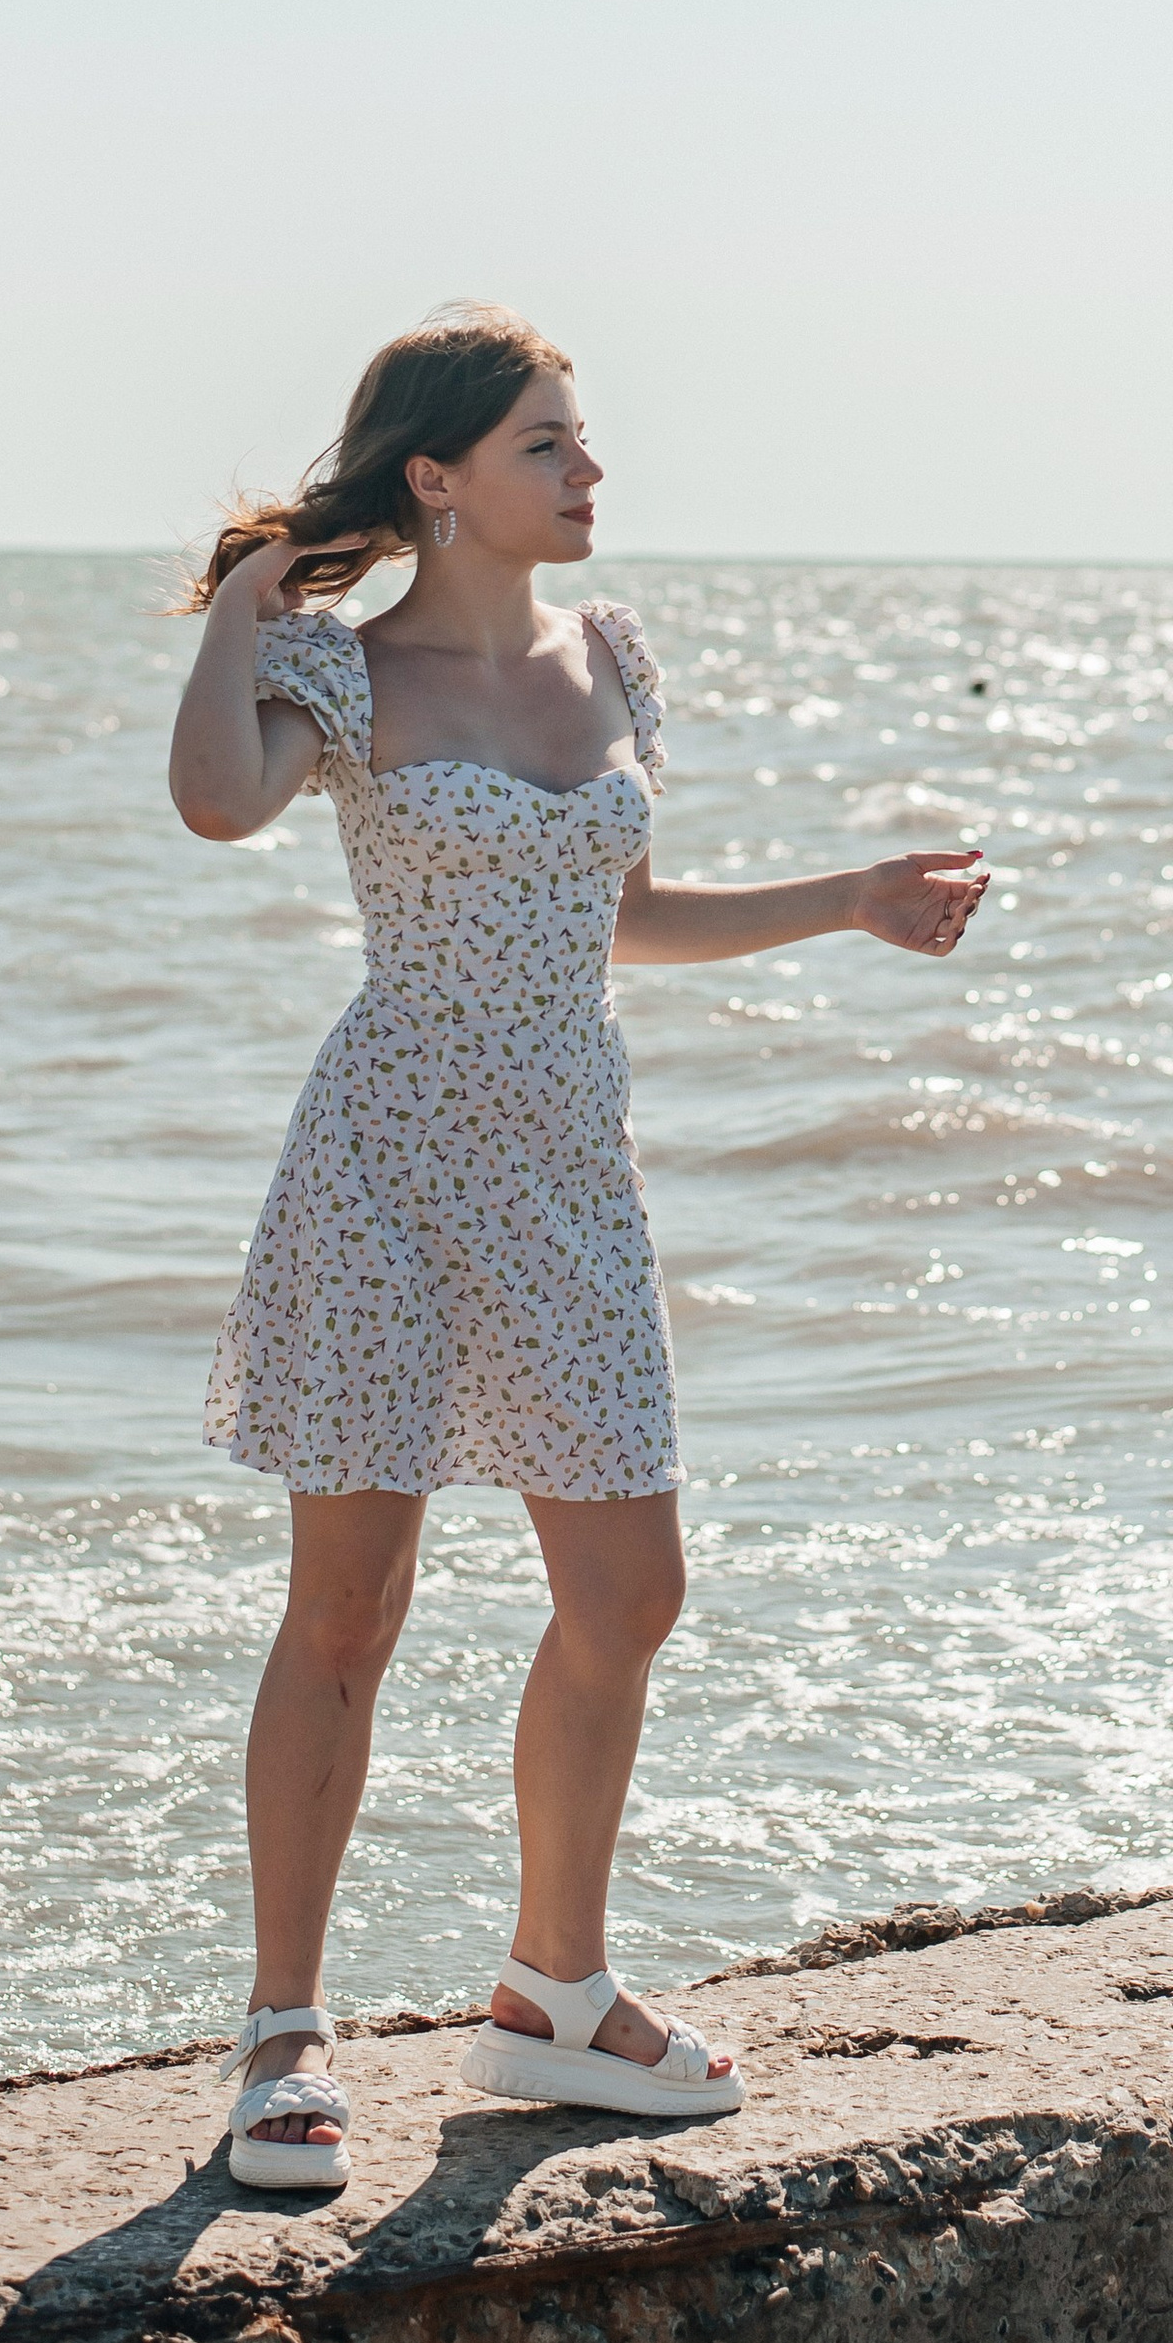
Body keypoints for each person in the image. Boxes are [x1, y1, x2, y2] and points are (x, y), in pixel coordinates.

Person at [167, 303, 987, 2193]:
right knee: (349, 1611)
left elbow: (617, 914)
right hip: (384, 1167)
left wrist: (849, 900)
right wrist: (243, 614)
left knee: (629, 1592)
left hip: (567, 1178)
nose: (591, 469)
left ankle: (553, 1988)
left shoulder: (607, 656)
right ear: (438, 481)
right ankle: (283, 2036)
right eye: (550, 444)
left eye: (582, 439)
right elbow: (218, 805)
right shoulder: (344, 679)